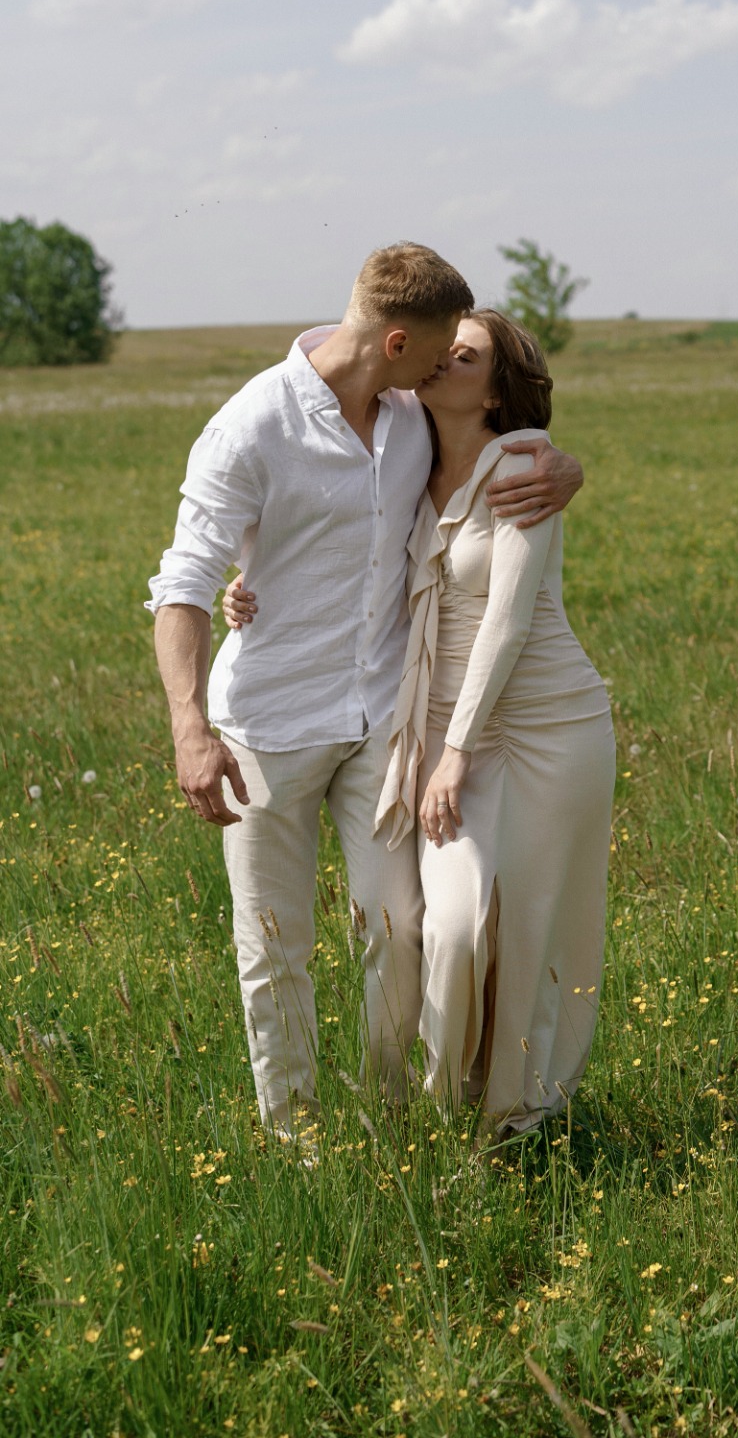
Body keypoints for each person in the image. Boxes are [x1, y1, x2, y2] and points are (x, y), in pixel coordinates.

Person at [147, 245, 582, 1143]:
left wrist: (563, 469)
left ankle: (391, 1117)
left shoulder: (409, 412)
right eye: (438, 349)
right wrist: (189, 726)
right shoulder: (250, 428)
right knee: (275, 943)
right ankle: (297, 1133)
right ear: (395, 343)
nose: (444, 364)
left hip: (382, 720)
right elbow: (183, 582)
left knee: (402, 927)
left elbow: (494, 452)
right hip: (265, 726)